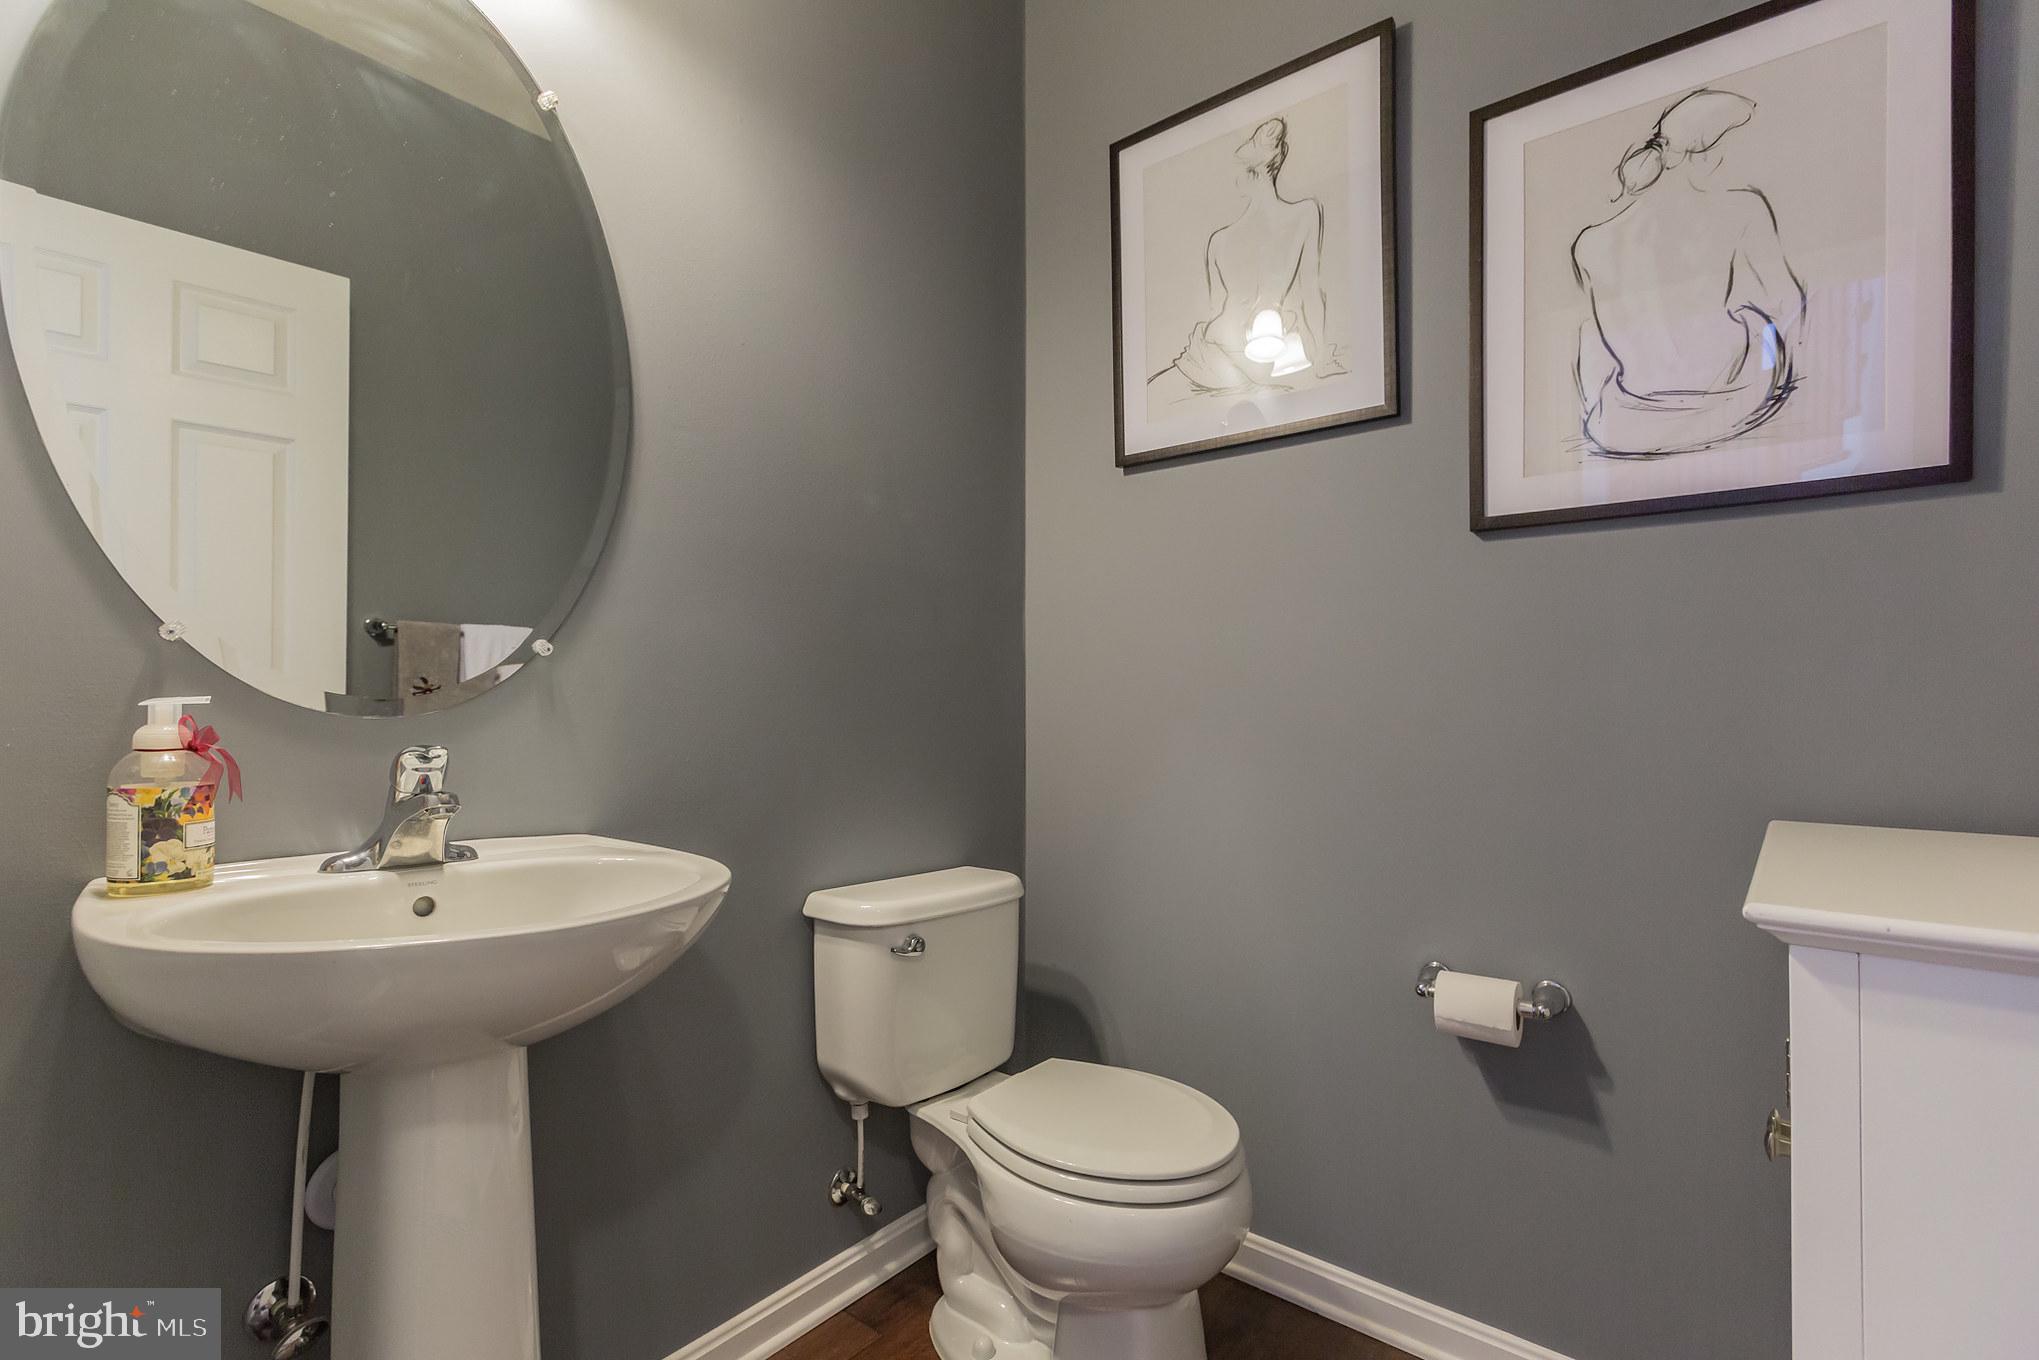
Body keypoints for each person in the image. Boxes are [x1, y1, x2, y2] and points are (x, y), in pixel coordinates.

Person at [1570, 88, 1806, 456]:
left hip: (1625, 421)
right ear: (1710, 154)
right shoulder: (1743, 208)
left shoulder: (1589, 242)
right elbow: (1787, 306)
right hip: (1722, 404)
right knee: (1760, 320)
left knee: (1591, 328)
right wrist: (1770, 357)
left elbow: (1593, 347)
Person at [1148, 116, 1345, 406]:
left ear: (1249, 174)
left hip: (1217, 350)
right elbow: (1310, 294)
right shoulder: (1305, 214)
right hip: (1238, 357)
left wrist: (1318, 358)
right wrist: (1320, 358)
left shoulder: (1220, 240)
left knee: (1155, 393)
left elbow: (1219, 307)